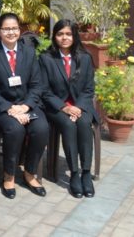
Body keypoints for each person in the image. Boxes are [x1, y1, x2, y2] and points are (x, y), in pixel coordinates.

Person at [0, 13, 48, 199]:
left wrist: (25, 107)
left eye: (15, 28)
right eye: (6, 29)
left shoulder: (29, 52)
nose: (11, 32)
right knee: (15, 129)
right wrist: (9, 108)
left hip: (26, 104)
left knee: (41, 128)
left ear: (20, 30)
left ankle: (30, 173)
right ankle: (9, 175)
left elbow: (37, 85)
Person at [39, 19, 98, 198]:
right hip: (57, 107)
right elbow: (44, 90)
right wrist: (64, 107)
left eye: (68, 34)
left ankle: (85, 172)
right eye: (60, 34)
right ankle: (74, 173)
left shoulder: (85, 58)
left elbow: (89, 89)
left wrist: (78, 107)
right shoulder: (46, 58)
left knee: (84, 124)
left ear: (74, 36)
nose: (64, 38)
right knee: (69, 125)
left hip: (81, 106)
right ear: (54, 36)